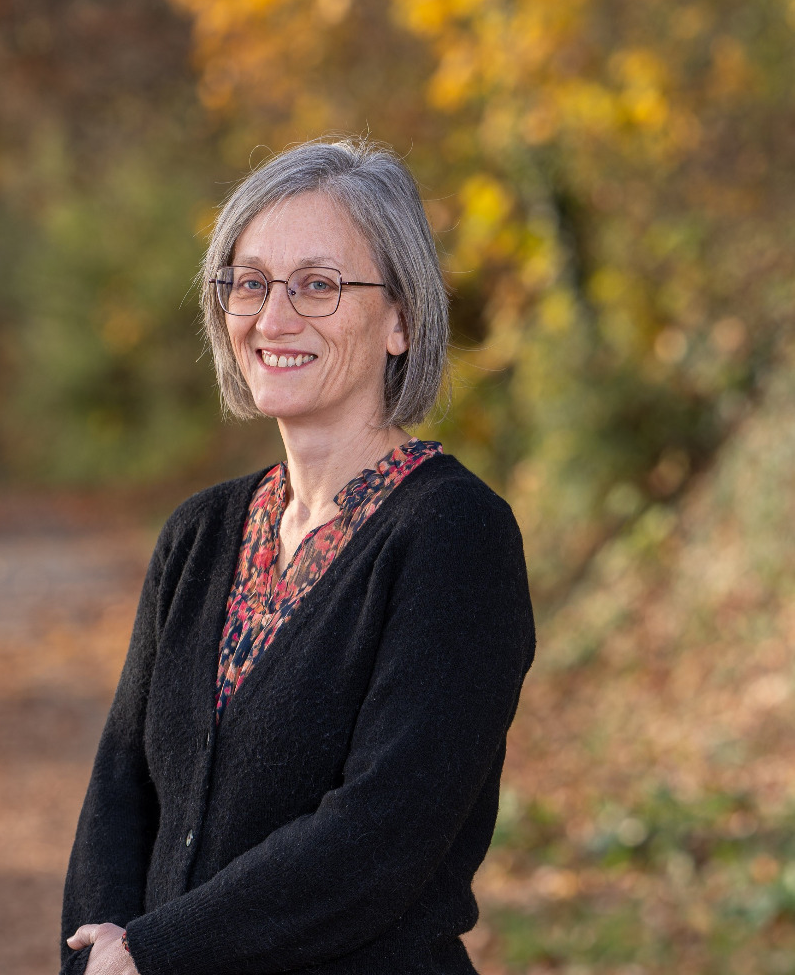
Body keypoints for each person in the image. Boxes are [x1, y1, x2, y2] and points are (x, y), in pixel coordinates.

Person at [60, 138, 535, 975]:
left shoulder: (454, 536)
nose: (274, 318)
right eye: (250, 283)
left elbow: (381, 837)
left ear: (401, 318)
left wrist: (155, 955)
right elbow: (122, 787)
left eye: (318, 285)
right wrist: (96, 950)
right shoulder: (200, 533)